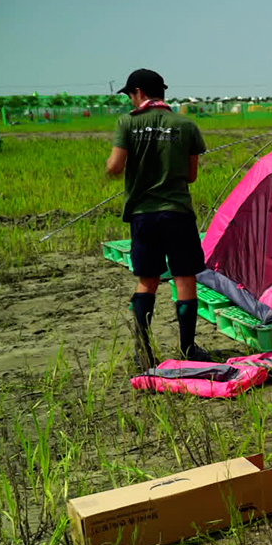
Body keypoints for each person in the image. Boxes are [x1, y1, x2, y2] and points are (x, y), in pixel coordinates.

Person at [104, 69, 211, 369]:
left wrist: (114, 171)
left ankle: (145, 350)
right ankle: (188, 348)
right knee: (185, 278)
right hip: (177, 212)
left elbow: (115, 165)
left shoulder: (127, 122)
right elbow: (191, 175)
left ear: (138, 92)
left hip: (143, 215)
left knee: (147, 280)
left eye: (129, 94)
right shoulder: (186, 125)